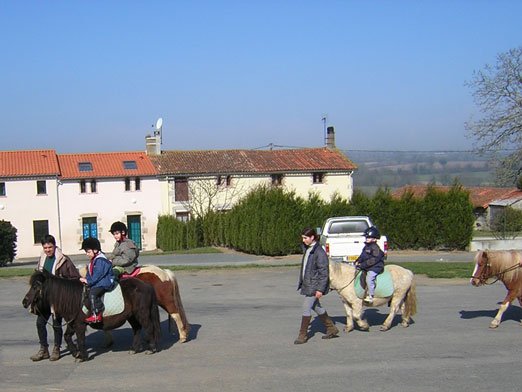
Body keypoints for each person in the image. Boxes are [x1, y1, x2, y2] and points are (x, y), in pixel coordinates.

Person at [30, 234, 80, 362]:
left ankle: (56, 348)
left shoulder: (64, 260)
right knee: (40, 323)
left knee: (56, 324)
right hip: (44, 298)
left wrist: (61, 284)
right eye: (45, 248)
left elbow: (74, 278)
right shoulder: (42, 259)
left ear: (54, 246)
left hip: (58, 298)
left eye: (50, 247)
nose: (48, 250)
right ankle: (43, 349)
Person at [294, 227, 339, 344]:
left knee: (306, 307)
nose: (303, 240)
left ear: (312, 237)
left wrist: (320, 289)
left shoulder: (319, 252)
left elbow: (324, 273)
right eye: (302, 238)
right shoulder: (309, 249)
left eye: (305, 238)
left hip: (314, 286)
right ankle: (331, 328)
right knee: (316, 307)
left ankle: (302, 335)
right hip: (308, 284)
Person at [79, 237, 115, 324]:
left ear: (95, 250)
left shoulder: (101, 261)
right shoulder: (93, 260)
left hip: (105, 282)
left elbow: (97, 275)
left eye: (88, 252)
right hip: (99, 281)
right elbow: (90, 273)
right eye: (86, 252)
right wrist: (86, 279)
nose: (87, 254)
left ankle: (97, 313)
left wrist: (89, 281)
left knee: (93, 293)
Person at [355, 226, 385, 304]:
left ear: (375, 239)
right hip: (368, 266)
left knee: (370, 277)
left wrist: (362, 265)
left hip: (376, 266)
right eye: (366, 237)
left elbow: (373, 260)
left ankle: (371, 295)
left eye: (369, 237)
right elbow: (362, 256)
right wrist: (358, 261)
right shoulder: (366, 247)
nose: (367, 238)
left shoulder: (375, 248)